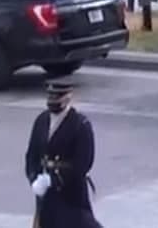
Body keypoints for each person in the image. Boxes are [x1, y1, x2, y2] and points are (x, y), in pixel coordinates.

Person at [24, 79, 101, 228]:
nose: (52, 101)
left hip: (71, 194)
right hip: (46, 195)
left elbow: (83, 163)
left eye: (57, 97)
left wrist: (54, 179)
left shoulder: (80, 124)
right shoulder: (41, 120)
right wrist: (33, 178)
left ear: (68, 97)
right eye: (50, 96)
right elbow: (32, 155)